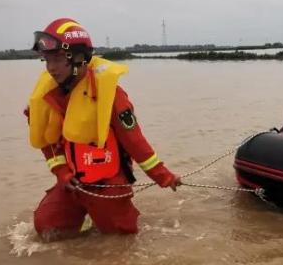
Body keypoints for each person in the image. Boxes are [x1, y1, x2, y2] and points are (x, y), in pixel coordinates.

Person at [25, 17, 181, 240]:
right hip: (72, 182)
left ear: (79, 58)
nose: (51, 68)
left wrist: (163, 176)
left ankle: (103, 218)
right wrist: (61, 172)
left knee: (120, 239)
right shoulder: (48, 97)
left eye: (57, 59)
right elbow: (47, 141)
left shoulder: (111, 95)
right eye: (46, 60)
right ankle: (86, 215)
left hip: (108, 183)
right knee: (48, 227)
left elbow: (134, 141)